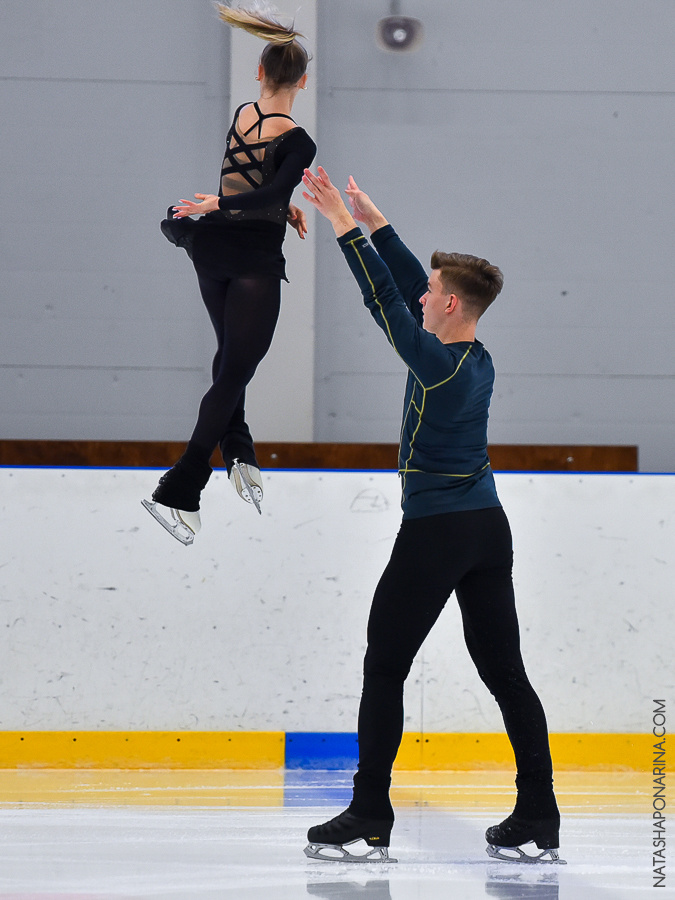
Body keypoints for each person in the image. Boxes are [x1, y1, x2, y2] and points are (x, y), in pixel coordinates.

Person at [300, 167, 562, 864]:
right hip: (486, 528)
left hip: (438, 533)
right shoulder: (472, 356)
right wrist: (377, 221)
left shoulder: (436, 365)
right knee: (505, 671)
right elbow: (415, 285)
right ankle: (539, 812)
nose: (423, 300)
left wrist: (342, 226)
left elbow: (384, 298)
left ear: (449, 306)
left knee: (383, 666)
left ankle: (368, 810)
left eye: (433, 296)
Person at [142, 4, 316, 545]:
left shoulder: (244, 112)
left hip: (211, 249)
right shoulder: (299, 140)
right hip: (252, 261)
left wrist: (260, 207)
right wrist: (239, 204)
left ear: (260, 73)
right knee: (235, 371)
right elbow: (263, 191)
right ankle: (181, 487)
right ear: (303, 81)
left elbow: (254, 184)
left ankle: (239, 450)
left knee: (229, 359)